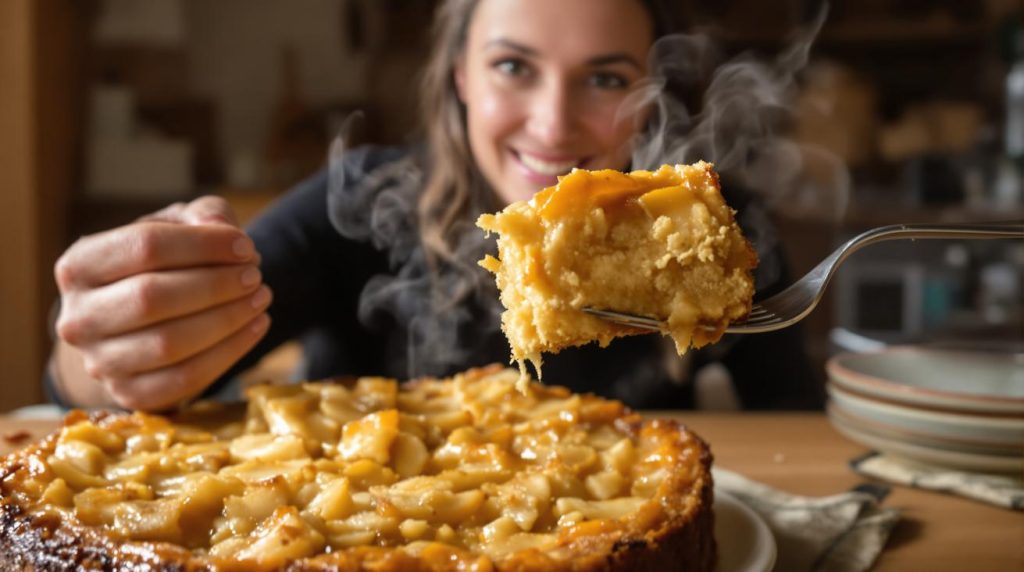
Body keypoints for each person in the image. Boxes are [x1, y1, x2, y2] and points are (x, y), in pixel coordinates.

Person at [47, 0, 824, 412]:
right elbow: (122, 383)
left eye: (606, 78)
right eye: (514, 66)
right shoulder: (357, 201)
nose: (552, 125)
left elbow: (796, 432)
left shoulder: (722, 233)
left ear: (650, 97)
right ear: (460, 77)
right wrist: (105, 352)